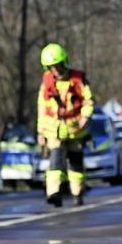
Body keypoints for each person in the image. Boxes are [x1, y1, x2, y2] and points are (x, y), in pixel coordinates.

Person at [36, 43, 94, 207]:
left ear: (64, 63)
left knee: (75, 162)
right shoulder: (46, 84)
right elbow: (42, 108)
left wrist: (85, 116)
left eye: (57, 66)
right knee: (55, 161)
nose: (54, 70)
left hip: (75, 129)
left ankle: (77, 193)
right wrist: (40, 132)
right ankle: (54, 193)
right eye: (51, 67)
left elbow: (89, 101)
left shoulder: (78, 80)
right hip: (54, 130)